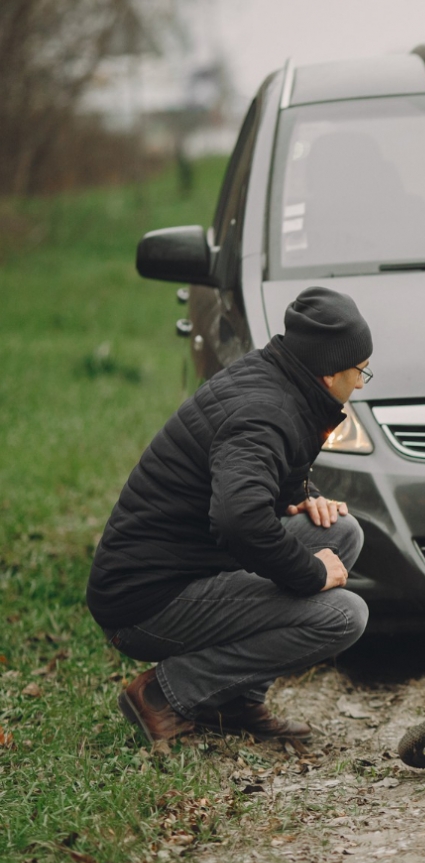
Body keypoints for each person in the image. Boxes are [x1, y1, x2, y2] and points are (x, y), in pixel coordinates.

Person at [88, 287, 375, 745]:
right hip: (145, 602)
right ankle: (165, 695)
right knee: (343, 615)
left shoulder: (278, 379)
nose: (360, 383)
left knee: (340, 532)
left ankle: (235, 701)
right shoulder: (263, 412)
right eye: (359, 371)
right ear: (328, 374)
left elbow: (255, 473)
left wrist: (303, 495)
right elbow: (238, 520)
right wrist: (311, 573)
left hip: (183, 569)